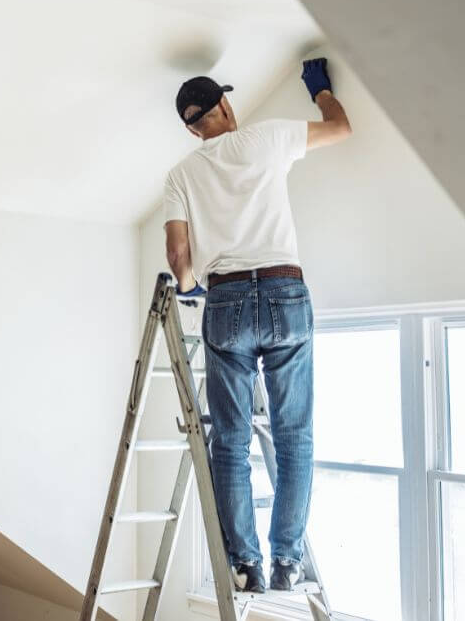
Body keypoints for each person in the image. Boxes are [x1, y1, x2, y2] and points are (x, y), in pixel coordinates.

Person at [162, 58, 351, 593]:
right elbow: (341, 129)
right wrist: (321, 91)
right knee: (294, 437)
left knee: (230, 441)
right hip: (284, 290)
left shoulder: (180, 174)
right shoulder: (265, 138)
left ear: (192, 127)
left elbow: (179, 255)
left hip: (225, 303)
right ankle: (287, 561)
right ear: (225, 106)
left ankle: (245, 565)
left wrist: (192, 286)